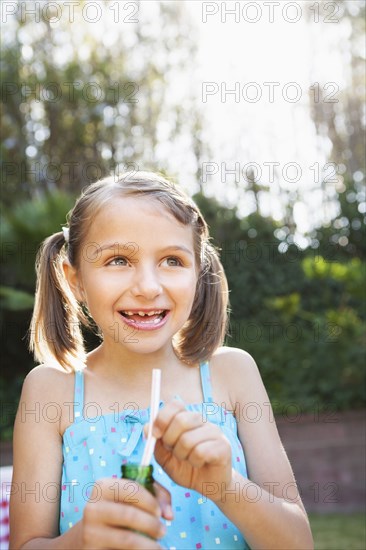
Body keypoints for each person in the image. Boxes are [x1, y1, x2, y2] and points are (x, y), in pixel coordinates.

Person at [10, 171, 313, 550]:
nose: (149, 287)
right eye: (118, 260)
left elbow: (298, 543)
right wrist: (81, 541)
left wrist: (225, 486)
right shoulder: (49, 391)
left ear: (198, 275)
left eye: (172, 260)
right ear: (76, 281)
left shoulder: (233, 374)